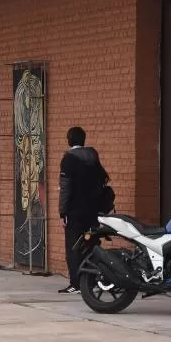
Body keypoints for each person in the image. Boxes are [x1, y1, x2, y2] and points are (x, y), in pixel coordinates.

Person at [58, 126, 108, 294]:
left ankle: (76, 283)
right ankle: (93, 281)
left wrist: (62, 212)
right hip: (93, 211)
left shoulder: (68, 159)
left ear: (69, 140)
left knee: (73, 247)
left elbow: (65, 188)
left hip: (75, 212)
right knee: (91, 245)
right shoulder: (93, 156)